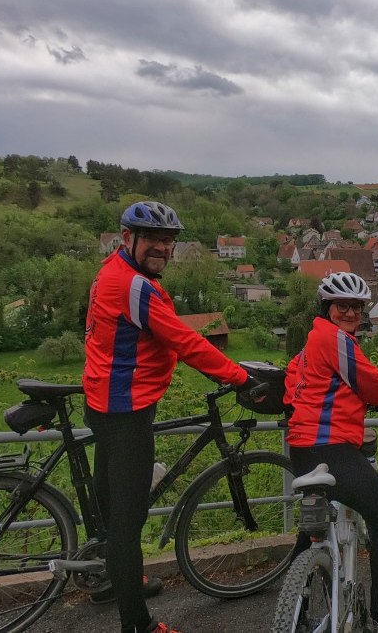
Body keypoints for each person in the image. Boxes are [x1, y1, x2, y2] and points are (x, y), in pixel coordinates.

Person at [83, 200, 259, 633]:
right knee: (127, 523)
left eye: (168, 240)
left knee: (111, 509)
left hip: (105, 402)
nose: (162, 247)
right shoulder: (134, 286)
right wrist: (240, 378)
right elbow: (185, 340)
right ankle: (137, 625)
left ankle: (115, 577)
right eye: (153, 239)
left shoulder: (112, 271)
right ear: (128, 238)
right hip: (125, 412)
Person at [284, 272, 378, 632]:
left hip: (302, 448)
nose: (351, 313)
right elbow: (370, 381)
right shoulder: (336, 338)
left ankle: (293, 613)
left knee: (313, 528)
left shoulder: (310, 344)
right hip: (332, 449)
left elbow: (298, 384)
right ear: (327, 308)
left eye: (357, 307)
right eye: (343, 305)